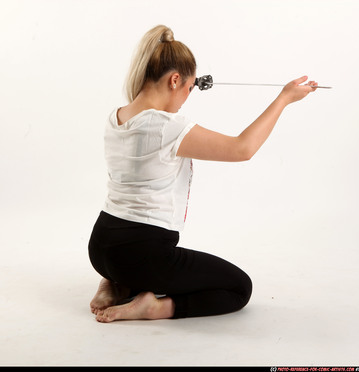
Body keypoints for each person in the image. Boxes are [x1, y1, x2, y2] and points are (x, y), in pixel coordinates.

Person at [88, 25, 317, 323]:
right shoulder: (165, 126)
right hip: (142, 254)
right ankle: (155, 307)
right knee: (238, 287)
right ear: (174, 80)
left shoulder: (116, 117)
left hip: (101, 247)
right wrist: (284, 98)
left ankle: (117, 283)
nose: (187, 96)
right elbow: (242, 148)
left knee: (137, 264)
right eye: (188, 87)